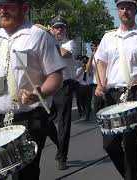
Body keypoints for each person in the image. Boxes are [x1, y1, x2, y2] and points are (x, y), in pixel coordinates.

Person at [0, 0, 65, 179]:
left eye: (9, 5)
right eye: (0, 6)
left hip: (26, 121)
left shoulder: (39, 36)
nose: (2, 10)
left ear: (24, 8)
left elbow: (56, 76)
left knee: (24, 176)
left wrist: (40, 92)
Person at [94, 0, 137, 179]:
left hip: (136, 92)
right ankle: (129, 176)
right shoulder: (108, 38)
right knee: (109, 144)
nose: (125, 11)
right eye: (122, 8)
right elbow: (101, 64)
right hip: (113, 94)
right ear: (117, 11)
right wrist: (100, 85)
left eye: (129, 7)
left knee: (131, 142)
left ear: (136, 10)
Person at [50, 15, 77, 170]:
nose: (59, 30)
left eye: (62, 27)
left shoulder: (70, 43)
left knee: (64, 124)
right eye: (56, 27)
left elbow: (63, 54)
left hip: (64, 86)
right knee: (44, 122)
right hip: (49, 87)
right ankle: (59, 146)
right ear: (52, 29)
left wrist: (48, 41)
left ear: (66, 29)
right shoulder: (47, 43)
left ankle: (62, 157)